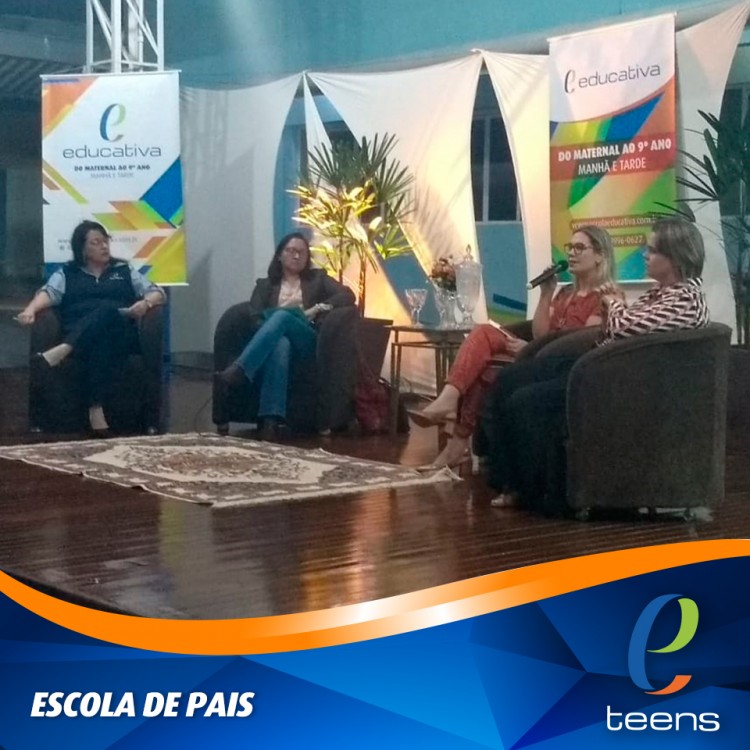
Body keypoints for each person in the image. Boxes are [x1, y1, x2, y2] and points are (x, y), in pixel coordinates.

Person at [482, 216, 709, 512]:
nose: (645, 255)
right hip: (597, 364)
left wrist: (613, 303)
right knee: (508, 379)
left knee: (525, 400)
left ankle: (533, 491)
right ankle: (507, 482)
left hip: (616, 381)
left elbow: (622, 327)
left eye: (653, 250)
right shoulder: (659, 293)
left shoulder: (686, 299)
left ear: (676, 257)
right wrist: (613, 310)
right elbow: (619, 327)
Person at [410, 225, 618, 470]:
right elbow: (540, 333)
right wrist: (546, 294)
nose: (571, 253)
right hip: (539, 351)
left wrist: (530, 349)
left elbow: (580, 343)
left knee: (486, 368)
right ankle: (451, 407)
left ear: (600, 255)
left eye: (580, 248)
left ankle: (455, 438)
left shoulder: (608, 297)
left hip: (561, 366)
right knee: (483, 334)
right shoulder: (565, 293)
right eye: (570, 247)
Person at [16, 219, 166, 436]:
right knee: (102, 337)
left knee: (109, 311)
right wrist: (30, 310)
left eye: (105, 241)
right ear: (82, 249)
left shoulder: (123, 270)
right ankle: (96, 408)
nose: (104, 246)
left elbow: (157, 292)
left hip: (121, 335)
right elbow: (48, 293)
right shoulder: (68, 273)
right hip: (89, 338)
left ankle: (65, 348)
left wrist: (146, 303)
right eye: (96, 242)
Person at [215, 231, 355, 440]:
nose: (296, 256)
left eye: (302, 252)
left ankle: (240, 370)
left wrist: (319, 307)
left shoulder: (318, 279)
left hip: (308, 341)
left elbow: (347, 295)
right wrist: (275, 325)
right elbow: (254, 317)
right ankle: (270, 421)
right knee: (281, 343)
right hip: (276, 342)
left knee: (282, 317)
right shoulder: (265, 285)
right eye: (291, 251)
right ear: (280, 255)